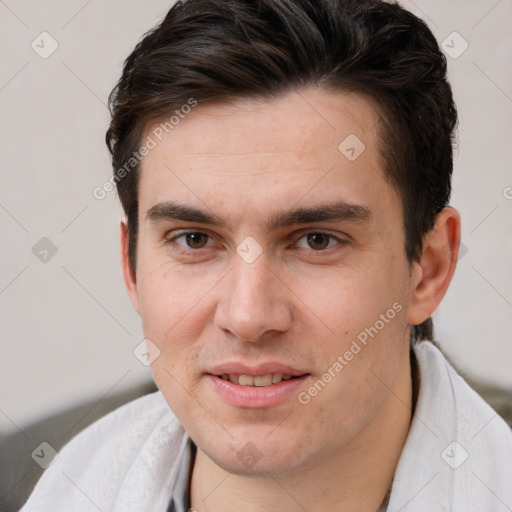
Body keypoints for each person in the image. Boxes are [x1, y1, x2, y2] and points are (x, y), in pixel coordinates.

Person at [20, 0, 512, 511]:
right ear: (132, 266)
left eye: (316, 240)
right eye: (194, 239)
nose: (249, 316)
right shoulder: (51, 485)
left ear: (428, 270)